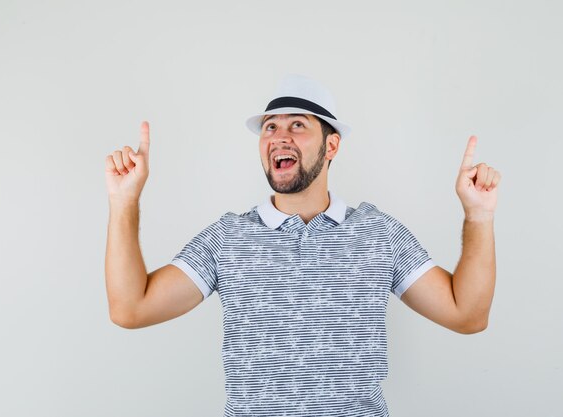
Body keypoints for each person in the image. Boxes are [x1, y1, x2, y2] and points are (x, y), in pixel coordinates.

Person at [104, 74, 501, 417]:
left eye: (297, 125)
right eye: (270, 128)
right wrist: (125, 201)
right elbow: (131, 308)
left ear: (331, 146)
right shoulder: (228, 238)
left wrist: (478, 216)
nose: (279, 137)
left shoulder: (378, 233)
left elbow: (467, 315)